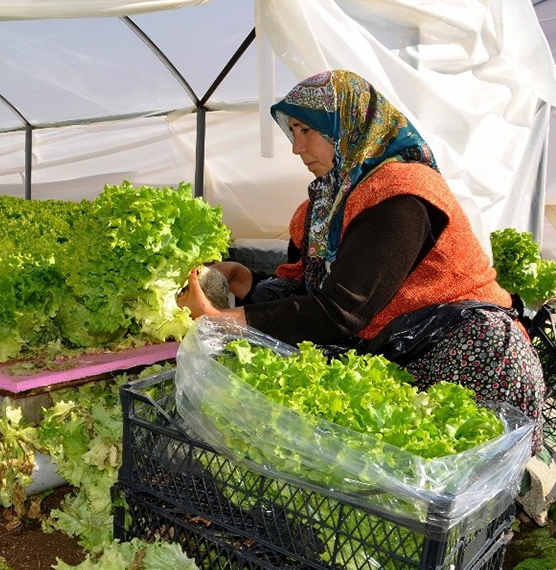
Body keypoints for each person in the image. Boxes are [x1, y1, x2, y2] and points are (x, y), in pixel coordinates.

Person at [179, 69, 545, 453]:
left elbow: (341, 310)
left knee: (470, 490)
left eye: (306, 130)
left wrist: (226, 322)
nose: (295, 148)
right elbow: (307, 289)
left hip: (468, 360)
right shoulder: (322, 208)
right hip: (401, 367)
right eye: (293, 132)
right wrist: (245, 282)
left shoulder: (402, 193)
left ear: (347, 124)